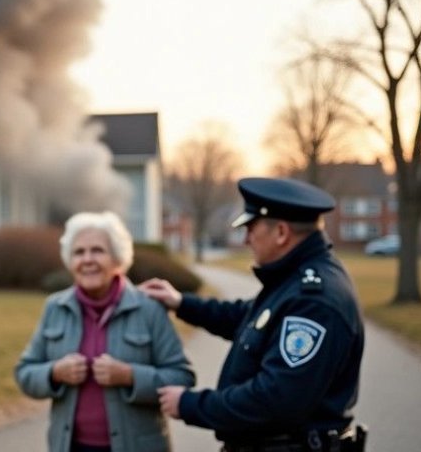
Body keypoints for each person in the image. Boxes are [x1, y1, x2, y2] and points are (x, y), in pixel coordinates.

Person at [140, 177, 367, 452]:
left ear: (281, 232)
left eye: (251, 228)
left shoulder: (314, 302)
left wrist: (189, 404)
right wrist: (181, 303)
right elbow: (249, 318)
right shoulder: (294, 279)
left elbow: (275, 399)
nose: (246, 239)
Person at [15, 211, 195, 452]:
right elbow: (25, 373)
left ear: (117, 258)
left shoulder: (148, 309)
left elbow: (181, 377)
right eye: (79, 252)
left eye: (97, 250)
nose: (87, 259)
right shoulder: (55, 307)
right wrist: (55, 372)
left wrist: (130, 375)